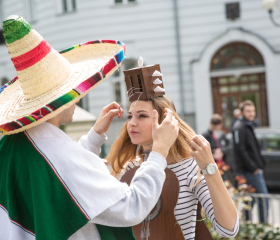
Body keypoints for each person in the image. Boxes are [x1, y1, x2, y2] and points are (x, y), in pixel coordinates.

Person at [0, 16, 179, 240]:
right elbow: (131, 207)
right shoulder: (57, 155)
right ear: (59, 100)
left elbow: (58, 181)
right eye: (73, 92)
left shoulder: (13, 142)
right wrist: (159, 152)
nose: (78, 97)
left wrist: (93, 139)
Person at [107, 65, 239, 239]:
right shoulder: (130, 167)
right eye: (130, 116)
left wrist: (210, 168)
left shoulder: (190, 167)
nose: (131, 123)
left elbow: (229, 229)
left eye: (142, 116)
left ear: (165, 121)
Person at [231, 100, 268, 223]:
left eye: (253, 111)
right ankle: (264, 227)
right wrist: (254, 168)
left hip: (253, 169)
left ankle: (249, 226)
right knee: (263, 199)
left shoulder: (247, 125)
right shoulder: (239, 127)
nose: (251, 114)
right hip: (250, 171)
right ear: (241, 112)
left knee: (249, 202)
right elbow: (241, 151)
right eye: (248, 111)